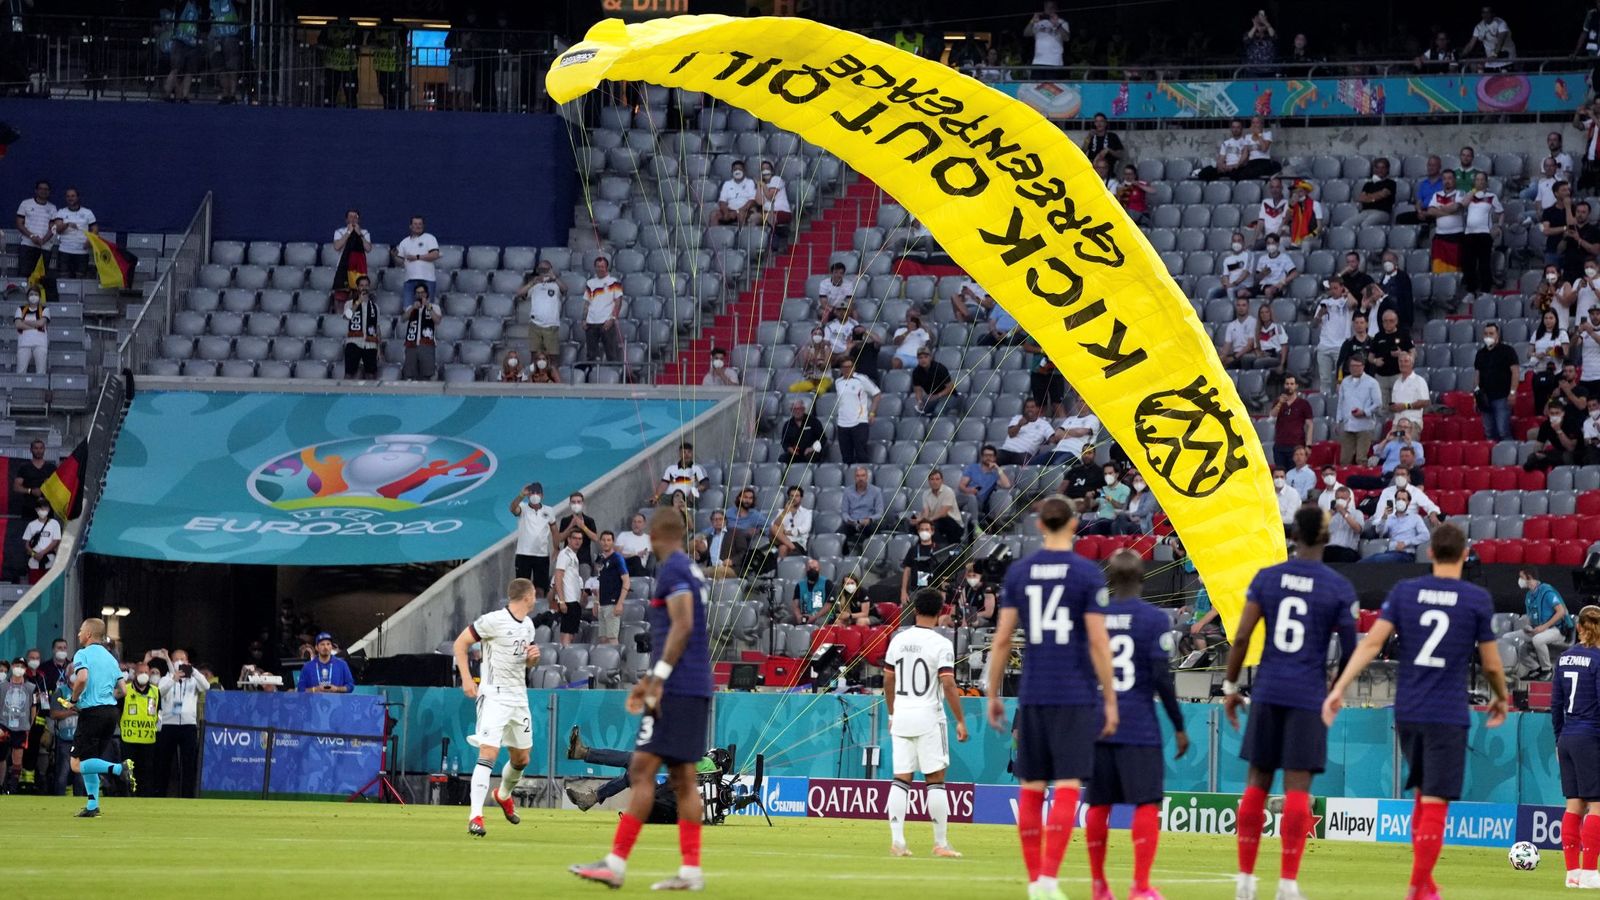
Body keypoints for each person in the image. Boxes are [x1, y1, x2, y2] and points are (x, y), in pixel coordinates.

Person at [1323, 524, 1509, 900]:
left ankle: (1426, 885)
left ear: (1429, 554)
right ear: (1464, 555)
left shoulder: (1405, 591)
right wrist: (1501, 696)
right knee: (1436, 800)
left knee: (1424, 796)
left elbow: (1373, 642)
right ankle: (1416, 888)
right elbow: (1490, 662)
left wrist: (1339, 687)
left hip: (1408, 709)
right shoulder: (1474, 599)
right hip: (1446, 710)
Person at [572, 509, 712, 891]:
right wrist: (650, 678)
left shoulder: (672, 568)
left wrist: (658, 680)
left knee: (642, 771)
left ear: (655, 534)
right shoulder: (692, 570)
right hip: (696, 686)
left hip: (676, 689)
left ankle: (615, 864)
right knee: (684, 780)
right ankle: (690, 871)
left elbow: (681, 625)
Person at [986, 496, 1118, 900]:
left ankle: (1034, 882)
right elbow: (1098, 641)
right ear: (1074, 524)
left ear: (1040, 525)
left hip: (1034, 692)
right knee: (1065, 786)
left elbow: (1003, 638)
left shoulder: (1021, 573)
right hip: (1075, 693)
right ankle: (1048, 877)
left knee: (1030, 786)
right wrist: (1110, 697)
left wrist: (992, 692)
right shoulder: (1087, 574)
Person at [1222, 507, 1357, 900]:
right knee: (1298, 789)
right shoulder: (1337, 587)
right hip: (1307, 694)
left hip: (1268, 690)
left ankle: (1245, 882)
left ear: (1294, 534)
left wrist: (1231, 685)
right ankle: (1287, 884)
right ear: (1327, 538)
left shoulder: (1267, 578)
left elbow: (1243, 637)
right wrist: (1335, 690)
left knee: (1257, 784)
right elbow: (1351, 651)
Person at [1084, 551, 1189, 900]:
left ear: (1110, 581)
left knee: (1099, 804)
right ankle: (1140, 886)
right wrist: (1178, 725)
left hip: (1099, 721)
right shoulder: (1154, 619)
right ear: (1142, 578)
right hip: (1139, 724)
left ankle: (1099, 887)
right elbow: (1162, 676)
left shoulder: (1094, 617)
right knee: (1146, 804)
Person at [883, 588, 968, 859]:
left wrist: (892, 714)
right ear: (941, 611)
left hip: (902, 716)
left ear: (915, 609)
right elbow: (948, 682)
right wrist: (960, 720)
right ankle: (940, 843)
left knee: (901, 779)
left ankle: (898, 841)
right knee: (935, 780)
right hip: (929, 716)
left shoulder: (898, 639)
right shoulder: (941, 644)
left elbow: (887, 679)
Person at [454, 578, 541, 837]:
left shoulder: (528, 625)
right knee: (489, 752)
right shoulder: (492, 620)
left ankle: (503, 795)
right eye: (534, 593)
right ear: (527, 596)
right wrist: (467, 679)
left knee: (521, 758)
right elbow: (460, 643)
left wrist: (532, 661)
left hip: (519, 697)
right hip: (494, 696)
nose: (536, 598)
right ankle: (476, 817)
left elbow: (525, 664)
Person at [65, 618, 135, 816]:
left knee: (76, 764)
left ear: (88, 634)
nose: (78, 634)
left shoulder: (82, 654)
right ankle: (92, 806)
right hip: (111, 713)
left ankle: (119, 769)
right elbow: (123, 690)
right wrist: (104, 698)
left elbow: (82, 678)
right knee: (90, 760)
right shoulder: (110, 657)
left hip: (92, 714)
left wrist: (73, 699)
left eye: (80, 631)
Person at [1552, 605, 1600, 890]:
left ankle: (1572, 873)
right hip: (1591, 737)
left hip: (1568, 737)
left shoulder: (1564, 658)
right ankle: (1591, 873)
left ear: (1579, 627)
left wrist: (1559, 738)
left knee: (1574, 805)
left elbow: (1555, 705)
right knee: (1597, 806)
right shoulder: (1598, 660)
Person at [151, 647, 206, 797]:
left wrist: (193, 671)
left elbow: (206, 686)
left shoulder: (194, 680)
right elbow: (159, 692)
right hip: (169, 725)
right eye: (176, 660)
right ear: (171, 661)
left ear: (188, 662)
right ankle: (160, 794)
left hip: (188, 725)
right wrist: (172, 679)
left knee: (188, 763)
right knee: (164, 762)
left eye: (183, 660)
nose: (179, 662)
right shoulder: (166, 678)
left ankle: (187, 796)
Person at [1518, 568, 1572, 680]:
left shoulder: (1547, 591)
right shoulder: (1529, 596)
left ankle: (1547, 670)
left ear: (1529, 578)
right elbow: (1531, 617)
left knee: (1538, 639)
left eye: (1521, 577)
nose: (1519, 580)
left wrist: (1543, 627)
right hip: (1540, 630)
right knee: (1520, 646)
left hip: (1557, 629)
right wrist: (1529, 628)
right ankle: (1536, 669)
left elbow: (1561, 611)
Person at [117, 663, 159, 795]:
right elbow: (118, 712)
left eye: (146, 672)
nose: (144, 675)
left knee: (146, 773)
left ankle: (145, 798)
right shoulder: (126, 690)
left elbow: (158, 713)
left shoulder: (156, 691)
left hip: (148, 740)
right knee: (128, 773)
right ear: (134, 674)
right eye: (141, 672)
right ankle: (127, 796)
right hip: (129, 738)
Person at [1475, 323, 1521, 442]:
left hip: (1502, 397)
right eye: (1486, 333)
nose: (1488, 336)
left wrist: (1512, 392)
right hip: (1485, 398)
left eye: (1491, 333)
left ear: (1497, 335)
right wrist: (1476, 397)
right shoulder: (1480, 354)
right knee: (1488, 431)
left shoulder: (1507, 351)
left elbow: (1515, 372)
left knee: (1503, 430)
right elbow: (1477, 376)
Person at [509, 482, 558, 591]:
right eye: (532, 493)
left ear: (542, 495)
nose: (535, 495)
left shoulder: (549, 510)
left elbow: (554, 530)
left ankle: (540, 608)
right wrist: (521, 495)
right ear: (528, 495)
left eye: (538, 493)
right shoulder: (523, 508)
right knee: (522, 589)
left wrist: (556, 547)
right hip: (523, 554)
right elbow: (512, 508)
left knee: (541, 588)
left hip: (542, 555)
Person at [1461, 171, 1503, 297]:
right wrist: (1473, 191)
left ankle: (1485, 288)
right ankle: (1471, 289)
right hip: (1469, 233)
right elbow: (1463, 204)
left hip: (1484, 234)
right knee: (1469, 263)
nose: (1479, 182)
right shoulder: (1470, 195)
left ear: (1486, 182)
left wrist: (1498, 227)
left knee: (1484, 262)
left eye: (1481, 179)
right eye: (1477, 179)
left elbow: (1500, 212)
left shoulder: (1491, 197)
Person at [833, 357, 881, 465]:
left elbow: (877, 394)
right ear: (841, 369)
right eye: (844, 367)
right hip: (842, 423)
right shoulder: (838, 382)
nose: (847, 369)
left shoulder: (861, 379)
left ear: (853, 367)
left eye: (849, 367)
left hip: (859, 422)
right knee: (846, 457)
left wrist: (872, 413)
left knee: (861, 454)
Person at [1335, 355, 1381, 464]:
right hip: (1348, 425)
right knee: (1344, 460)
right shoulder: (1345, 382)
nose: (1354, 368)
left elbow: (1378, 404)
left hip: (1364, 426)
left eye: (1357, 366)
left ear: (1363, 366)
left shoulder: (1372, 382)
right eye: (1352, 366)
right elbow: (1340, 403)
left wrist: (1364, 412)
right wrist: (1338, 421)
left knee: (1361, 459)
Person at [1363, 489, 1430, 563]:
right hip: (1390, 552)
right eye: (1398, 499)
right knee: (1373, 558)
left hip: (1406, 554)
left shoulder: (1415, 518)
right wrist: (1384, 516)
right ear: (1395, 501)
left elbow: (1425, 535)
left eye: (1403, 499)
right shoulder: (1390, 519)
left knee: (1376, 560)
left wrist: (1406, 543)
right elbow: (1380, 532)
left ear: (1408, 502)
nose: (1401, 501)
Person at [1, 657, 37, 793]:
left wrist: (29, 723)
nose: (19, 669)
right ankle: (1, 786)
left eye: (22, 666)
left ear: (25, 669)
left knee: (17, 759)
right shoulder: (2, 686)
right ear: (12, 666)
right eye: (17, 665)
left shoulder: (30, 687)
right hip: (3, 724)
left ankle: (13, 788)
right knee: (1, 757)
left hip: (21, 727)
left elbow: (33, 707)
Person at [957, 445, 1010, 532]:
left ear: (994, 458)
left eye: (991, 455)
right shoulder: (973, 468)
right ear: (981, 457)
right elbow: (961, 486)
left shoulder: (995, 474)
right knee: (970, 498)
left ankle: (968, 533)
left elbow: (1007, 485)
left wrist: (997, 468)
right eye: (986, 455)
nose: (988, 458)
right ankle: (976, 527)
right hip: (963, 497)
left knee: (968, 507)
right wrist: (969, 490)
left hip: (978, 503)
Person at [517, 261, 564, 359]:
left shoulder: (556, 285)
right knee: (535, 356)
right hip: (535, 325)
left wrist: (555, 278)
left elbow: (565, 289)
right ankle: (534, 374)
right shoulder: (534, 285)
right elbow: (520, 293)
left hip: (551, 325)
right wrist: (533, 282)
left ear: (551, 269)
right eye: (541, 269)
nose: (543, 272)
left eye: (546, 269)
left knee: (552, 357)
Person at [584, 256, 624, 366]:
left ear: (607, 267)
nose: (600, 269)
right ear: (594, 267)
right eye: (598, 266)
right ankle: (590, 378)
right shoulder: (590, 283)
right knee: (591, 355)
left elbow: (618, 302)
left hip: (607, 322)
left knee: (611, 353)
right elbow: (587, 303)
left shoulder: (614, 282)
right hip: (591, 322)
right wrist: (584, 319)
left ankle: (614, 377)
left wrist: (612, 319)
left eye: (602, 266)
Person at [391, 215, 440, 302]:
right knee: (408, 308)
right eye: (415, 224)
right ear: (410, 226)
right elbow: (401, 262)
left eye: (420, 224)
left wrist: (417, 257)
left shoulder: (430, 238)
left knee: (427, 308)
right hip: (409, 280)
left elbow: (435, 255)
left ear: (423, 226)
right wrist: (394, 255)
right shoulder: (404, 242)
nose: (418, 226)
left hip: (427, 279)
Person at [907, 469, 963, 545]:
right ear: (929, 481)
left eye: (937, 479)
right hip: (936, 520)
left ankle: (938, 549)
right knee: (915, 526)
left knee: (936, 524)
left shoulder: (948, 491)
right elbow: (926, 512)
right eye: (932, 479)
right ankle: (922, 549)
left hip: (952, 522)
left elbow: (943, 513)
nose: (934, 482)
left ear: (942, 481)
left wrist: (928, 521)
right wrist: (919, 520)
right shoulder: (926, 493)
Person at [341, 276, 382, 379]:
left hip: (370, 344)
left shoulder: (375, 307)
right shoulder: (349, 303)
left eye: (366, 285)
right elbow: (347, 317)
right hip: (354, 342)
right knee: (349, 374)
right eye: (362, 285)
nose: (364, 288)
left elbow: (377, 328)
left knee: (371, 375)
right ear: (357, 287)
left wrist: (379, 349)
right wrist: (358, 301)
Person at [14, 180, 56, 280]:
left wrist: (43, 240)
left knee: (41, 278)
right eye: (41, 189)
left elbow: (54, 228)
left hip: (44, 247)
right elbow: (19, 224)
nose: (43, 191)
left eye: (46, 189)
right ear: (36, 190)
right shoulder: (26, 204)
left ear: (49, 192)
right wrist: (32, 236)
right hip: (27, 245)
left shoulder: (52, 208)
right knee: (24, 276)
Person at [52, 187, 97, 278]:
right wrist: (67, 224)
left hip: (82, 252)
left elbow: (95, 229)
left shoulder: (88, 212)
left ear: (78, 197)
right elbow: (57, 230)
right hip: (65, 251)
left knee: (80, 281)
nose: (70, 198)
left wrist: (89, 240)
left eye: (73, 196)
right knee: (63, 281)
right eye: (68, 196)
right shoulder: (61, 212)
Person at [1269, 376, 1313, 469]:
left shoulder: (1303, 403)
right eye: (1287, 384)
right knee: (1280, 472)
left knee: (1294, 472)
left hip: (1296, 445)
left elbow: (1310, 424)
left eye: (1292, 384)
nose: (1289, 386)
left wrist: (1308, 445)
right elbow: (1272, 416)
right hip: (1280, 445)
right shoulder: (1278, 402)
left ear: (1296, 386)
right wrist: (1280, 403)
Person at [400, 284, 441, 381]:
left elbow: (437, 320)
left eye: (422, 293)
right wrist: (413, 308)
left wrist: (428, 306)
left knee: (426, 374)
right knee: (410, 374)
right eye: (418, 293)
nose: (420, 295)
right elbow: (403, 319)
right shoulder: (411, 307)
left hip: (426, 344)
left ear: (426, 294)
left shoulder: (434, 307)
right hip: (411, 344)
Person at [842, 466, 885, 555]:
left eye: (863, 475)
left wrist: (870, 519)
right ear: (854, 478)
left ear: (867, 477)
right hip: (853, 523)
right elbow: (844, 512)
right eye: (858, 476)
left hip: (868, 522)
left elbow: (880, 513)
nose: (860, 478)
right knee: (839, 535)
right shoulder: (847, 491)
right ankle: (844, 558)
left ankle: (873, 558)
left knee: (875, 531)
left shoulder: (876, 491)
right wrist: (849, 520)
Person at [1461, 5, 1516, 70]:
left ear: (1493, 14)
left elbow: (1501, 41)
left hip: (1506, 60)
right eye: (1483, 12)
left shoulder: (1500, 23)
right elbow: (1470, 45)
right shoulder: (1479, 27)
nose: (1485, 15)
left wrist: (1495, 55)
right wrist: (1461, 55)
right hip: (1491, 62)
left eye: (1488, 12)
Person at [21, 500, 61, 585]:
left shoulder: (54, 524)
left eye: (45, 508)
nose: (43, 510)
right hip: (34, 562)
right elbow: (26, 544)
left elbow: (55, 541)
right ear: (36, 510)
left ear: (49, 509)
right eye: (41, 508)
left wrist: (43, 553)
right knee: (33, 586)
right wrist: (34, 554)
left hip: (49, 561)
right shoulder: (31, 525)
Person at [910, 348, 958, 417]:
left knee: (938, 411)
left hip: (949, 396)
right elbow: (917, 390)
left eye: (926, 357)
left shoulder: (940, 368)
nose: (923, 360)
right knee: (918, 412)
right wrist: (919, 401)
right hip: (932, 397)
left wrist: (938, 396)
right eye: (920, 358)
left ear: (930, 357)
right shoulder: (916, 372)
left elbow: (951, 387)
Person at [14, 286, 49, 375]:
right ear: (27, 297)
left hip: (40, 344)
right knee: (20, 372)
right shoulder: (20, 309)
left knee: (41, 372)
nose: (33, 296)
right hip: (24, 344)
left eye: (36, 294)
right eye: (31, 294)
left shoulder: (45, 309)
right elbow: (18, 324)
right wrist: (35, 326)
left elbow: (41, 323)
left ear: (40, 297)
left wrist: (25, 322)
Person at [770, 486, 812, 559]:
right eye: (792, 496)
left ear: (801, 498)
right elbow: (774, 527)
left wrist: (787, 532)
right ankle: (794, 549)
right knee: (774, 528)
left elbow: (805, 529)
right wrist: (785, 511)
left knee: (783, 547)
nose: (794, 498)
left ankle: (780, 568)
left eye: (797, 496)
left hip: (798, 542)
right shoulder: (782, 511)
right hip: (780, 541)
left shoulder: (807, 513)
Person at [1024, 1, 1068, 71]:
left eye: (1051, 7)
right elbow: (1026, 34)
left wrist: (1057, 25)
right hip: (1038, 62)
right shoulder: (1038, 22)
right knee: (1036, 82)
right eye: (1047, 7)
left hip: (1055, 62)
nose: (1049, 10)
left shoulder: (1062, 22)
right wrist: (1032, 22)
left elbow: (1066, 38)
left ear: (1056, 9)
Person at [780, 400, 826, 465]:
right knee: (782, 458)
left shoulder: (814, 421)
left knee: (811, 456)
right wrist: (789, 448)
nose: (797, 411)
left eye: (799, 409)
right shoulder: (787, 424)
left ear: (804, 409)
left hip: (811, 452)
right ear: (791, 411)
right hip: (795, 454)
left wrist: (812, 448)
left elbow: (823, 439)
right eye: (795, 409)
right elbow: (784, 442)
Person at [714, 159, 758, 225]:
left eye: (740, 169)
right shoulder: (727, 184)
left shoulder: (750, 182)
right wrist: (726, 213)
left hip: (744, 210)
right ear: (732, 171)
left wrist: (738, 211)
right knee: (714, 215)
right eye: (735, 169)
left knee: (741, 214)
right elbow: (722, 201)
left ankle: (742, 234)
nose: (737, 171)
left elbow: (752, 200)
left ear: (744, 171)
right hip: (730, 210)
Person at [791, 559, 832, 626]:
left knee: (818, 623)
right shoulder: (799, 585)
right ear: (806, 569)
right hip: (804, 615)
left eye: (815, 568)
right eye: (810, 568)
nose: (812, 570)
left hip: (822, 615)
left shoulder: (827, 583)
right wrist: (798, 616)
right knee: (786, 621)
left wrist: (815, 617)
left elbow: (829, 605)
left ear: (819, 569)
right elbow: (795, 605)